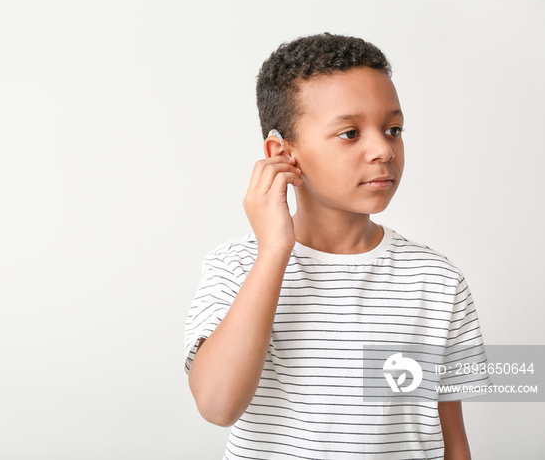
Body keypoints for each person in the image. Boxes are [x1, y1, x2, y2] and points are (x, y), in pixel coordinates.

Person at [183, 33, 491, 459]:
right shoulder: (235, 267)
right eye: (350, 133)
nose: (383, 149)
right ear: (283, 153)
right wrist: (274, 250)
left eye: (393, 129)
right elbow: (217, 405)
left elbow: (452, 439)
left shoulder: (436, 281)